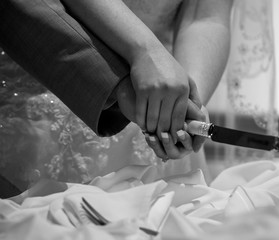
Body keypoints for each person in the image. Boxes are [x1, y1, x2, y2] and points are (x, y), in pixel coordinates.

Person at [0, 0, 232, 190]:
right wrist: (146, 51)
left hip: (150, 120)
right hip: (39, 105)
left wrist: (183, 103)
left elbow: (205, 17)